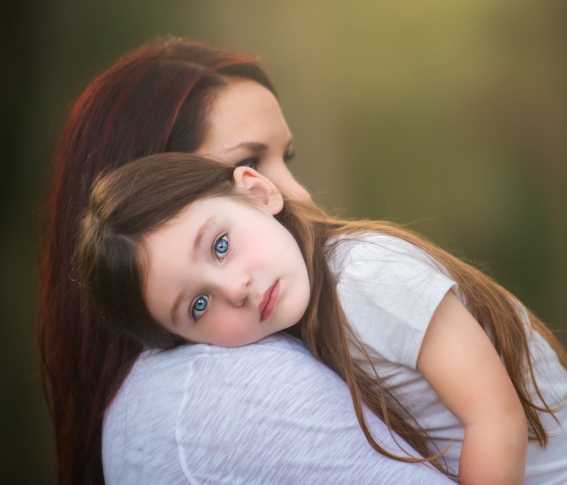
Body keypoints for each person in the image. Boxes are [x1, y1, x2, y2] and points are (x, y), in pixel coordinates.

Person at [77, 153, 567, 485]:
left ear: (258, 190)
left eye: (219, 244)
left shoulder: (365, 276)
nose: (235, 287)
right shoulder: (302, 314)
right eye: (196, 306)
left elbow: (494, 415)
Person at [38, 37, 452, 484]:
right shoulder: (231, 384)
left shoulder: (358, 284)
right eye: (251, 158)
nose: (299, 195)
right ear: (152, 188)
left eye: (283, 157)